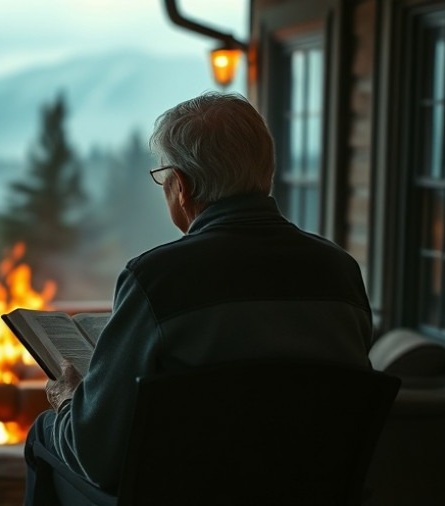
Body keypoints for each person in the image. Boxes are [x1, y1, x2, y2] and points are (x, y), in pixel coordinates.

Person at [23, 92, 373, 501]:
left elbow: (96, 454)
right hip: (309, 493)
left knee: (46, 433)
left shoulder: (157, 279)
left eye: (164, 178)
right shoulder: (340, 272)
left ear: (183, 187)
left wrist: (69, 401)